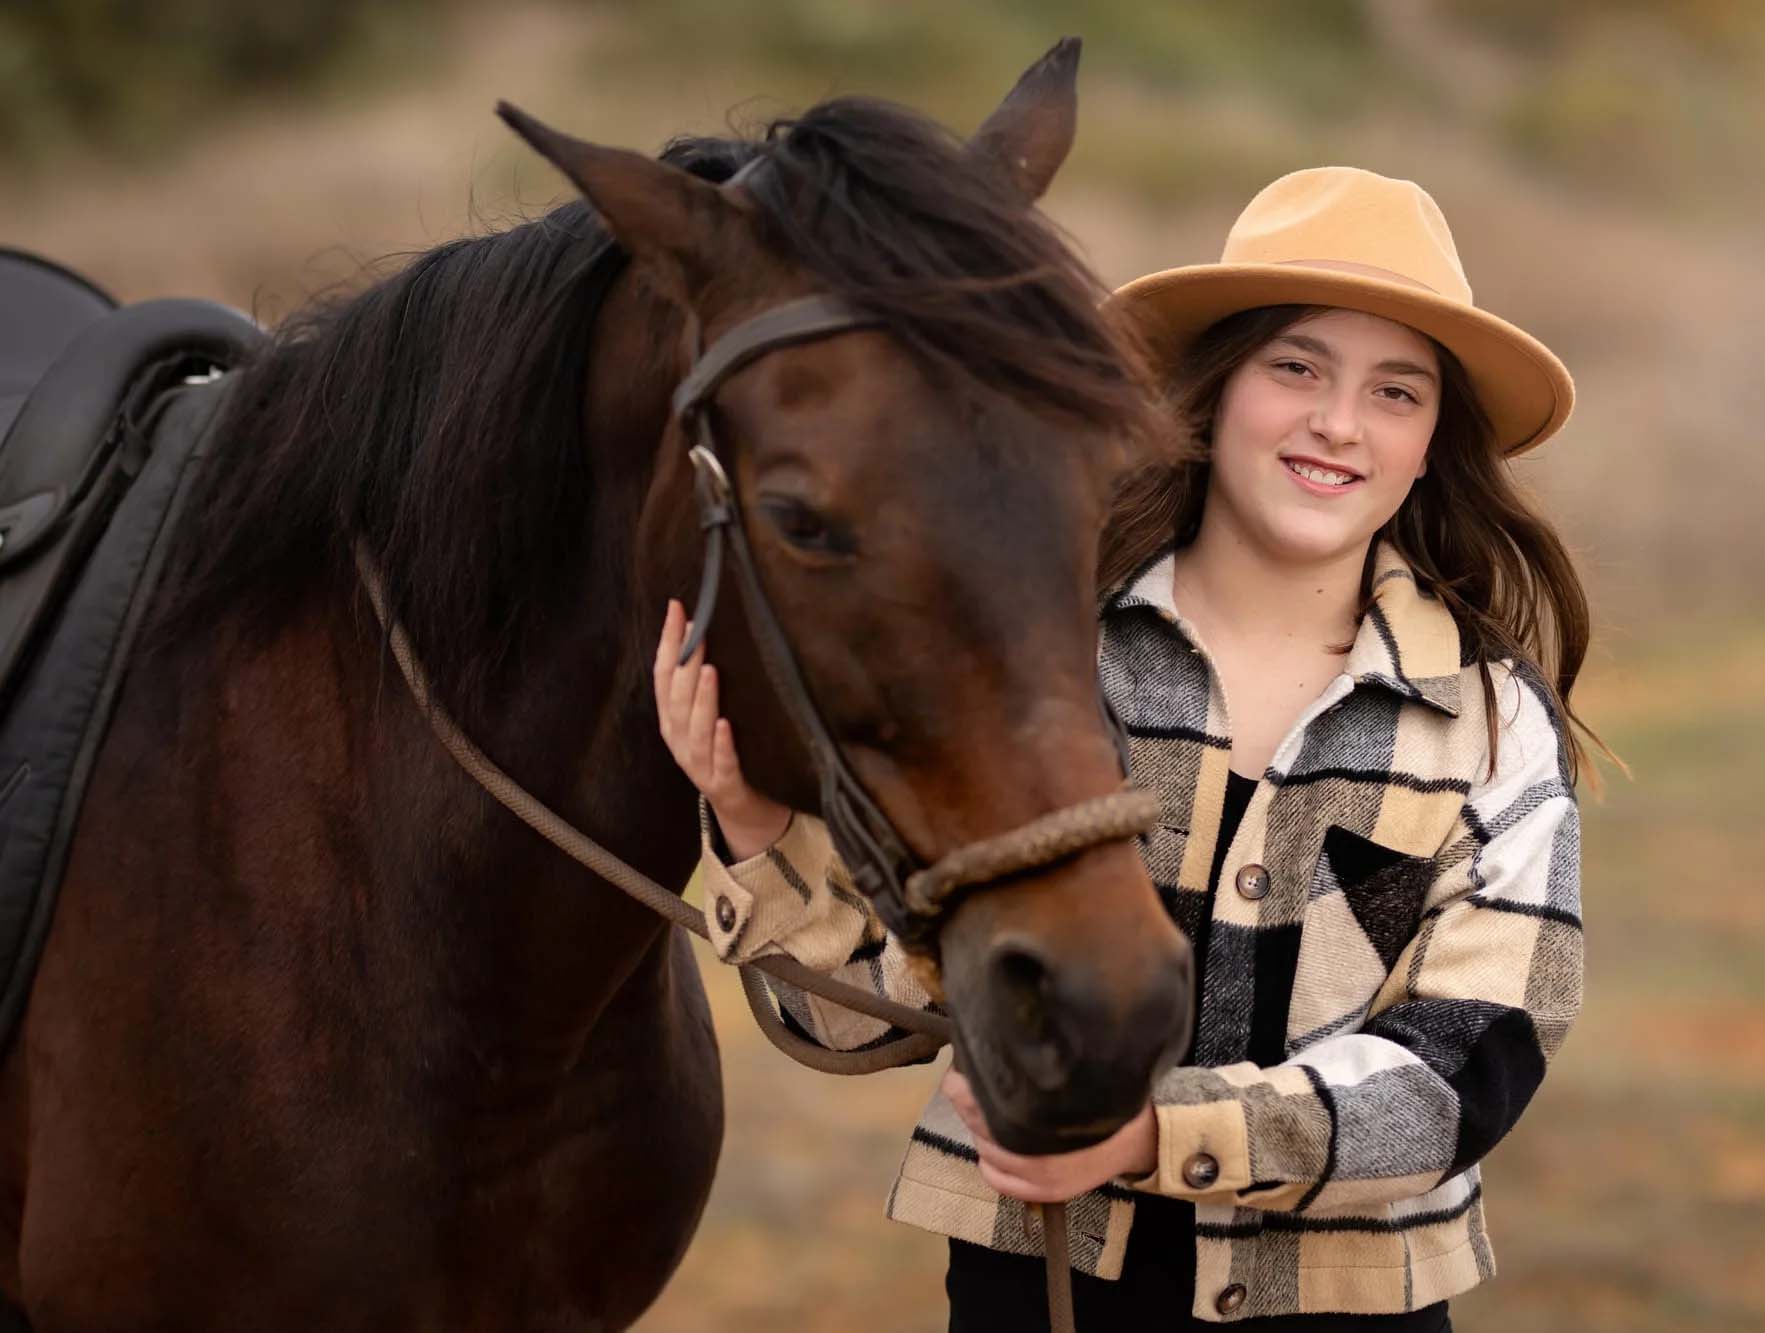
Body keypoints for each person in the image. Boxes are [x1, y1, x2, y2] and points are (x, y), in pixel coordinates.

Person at [655, 166, 1608, 1329]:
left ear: (1427, 448)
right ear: (1211, 398)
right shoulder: (1045, 655)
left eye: (1395, 393)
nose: (1337, 422)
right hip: (1037, 1293)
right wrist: (753, 828)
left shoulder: (1491, 721)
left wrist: (1160, 1137)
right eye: (1295, 367)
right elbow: (866, 1009)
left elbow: (1469, 1066)